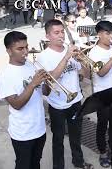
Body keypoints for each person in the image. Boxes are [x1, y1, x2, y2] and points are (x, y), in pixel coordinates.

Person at [37, 19, 93, 169]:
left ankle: (79, 162)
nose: (61, 35)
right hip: (57, 105)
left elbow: (86, 75)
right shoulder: (44, 56)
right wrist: (67, 57)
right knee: (58, 139)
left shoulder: (70, 50)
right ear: (48, 36)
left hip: (76, 100)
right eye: (56, 33)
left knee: (76, 136)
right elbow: (51, 80)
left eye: (62, 31)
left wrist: (82, 61)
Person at [0, 31, 48, 169]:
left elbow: (44, 92)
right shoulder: (5, 75)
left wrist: (48, 83)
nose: (25, 51)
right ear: (9, 51)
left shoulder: (31, 65)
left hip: (39, 128)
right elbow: (17, 104)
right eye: (20, 48)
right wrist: (33, 84)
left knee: (36, 162)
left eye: (26, 47)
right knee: (23, 164)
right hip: (23, 133)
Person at [88, 21, 112, 167]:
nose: (110, 36)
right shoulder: (94, 52)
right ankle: (103, 151)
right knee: (102, 124)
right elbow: (101, 73)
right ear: (99, 34)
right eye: (107, 33)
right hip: (102, 94)